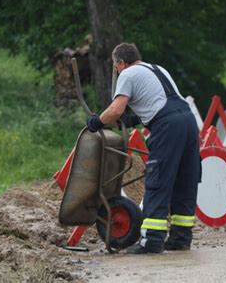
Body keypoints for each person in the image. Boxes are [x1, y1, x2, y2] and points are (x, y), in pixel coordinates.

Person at [86, 42, 201, 254]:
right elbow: (161, 101)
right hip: (188, 122)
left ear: (121, 62)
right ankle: (181, 237)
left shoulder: (127, 74)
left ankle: (151, 241)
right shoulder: (158, 69)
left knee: (158, 181)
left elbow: (115, 109)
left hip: (167, 127)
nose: (117, 70)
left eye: (116, 66)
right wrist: (135, 119)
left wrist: (97, 122)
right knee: (184, 181)